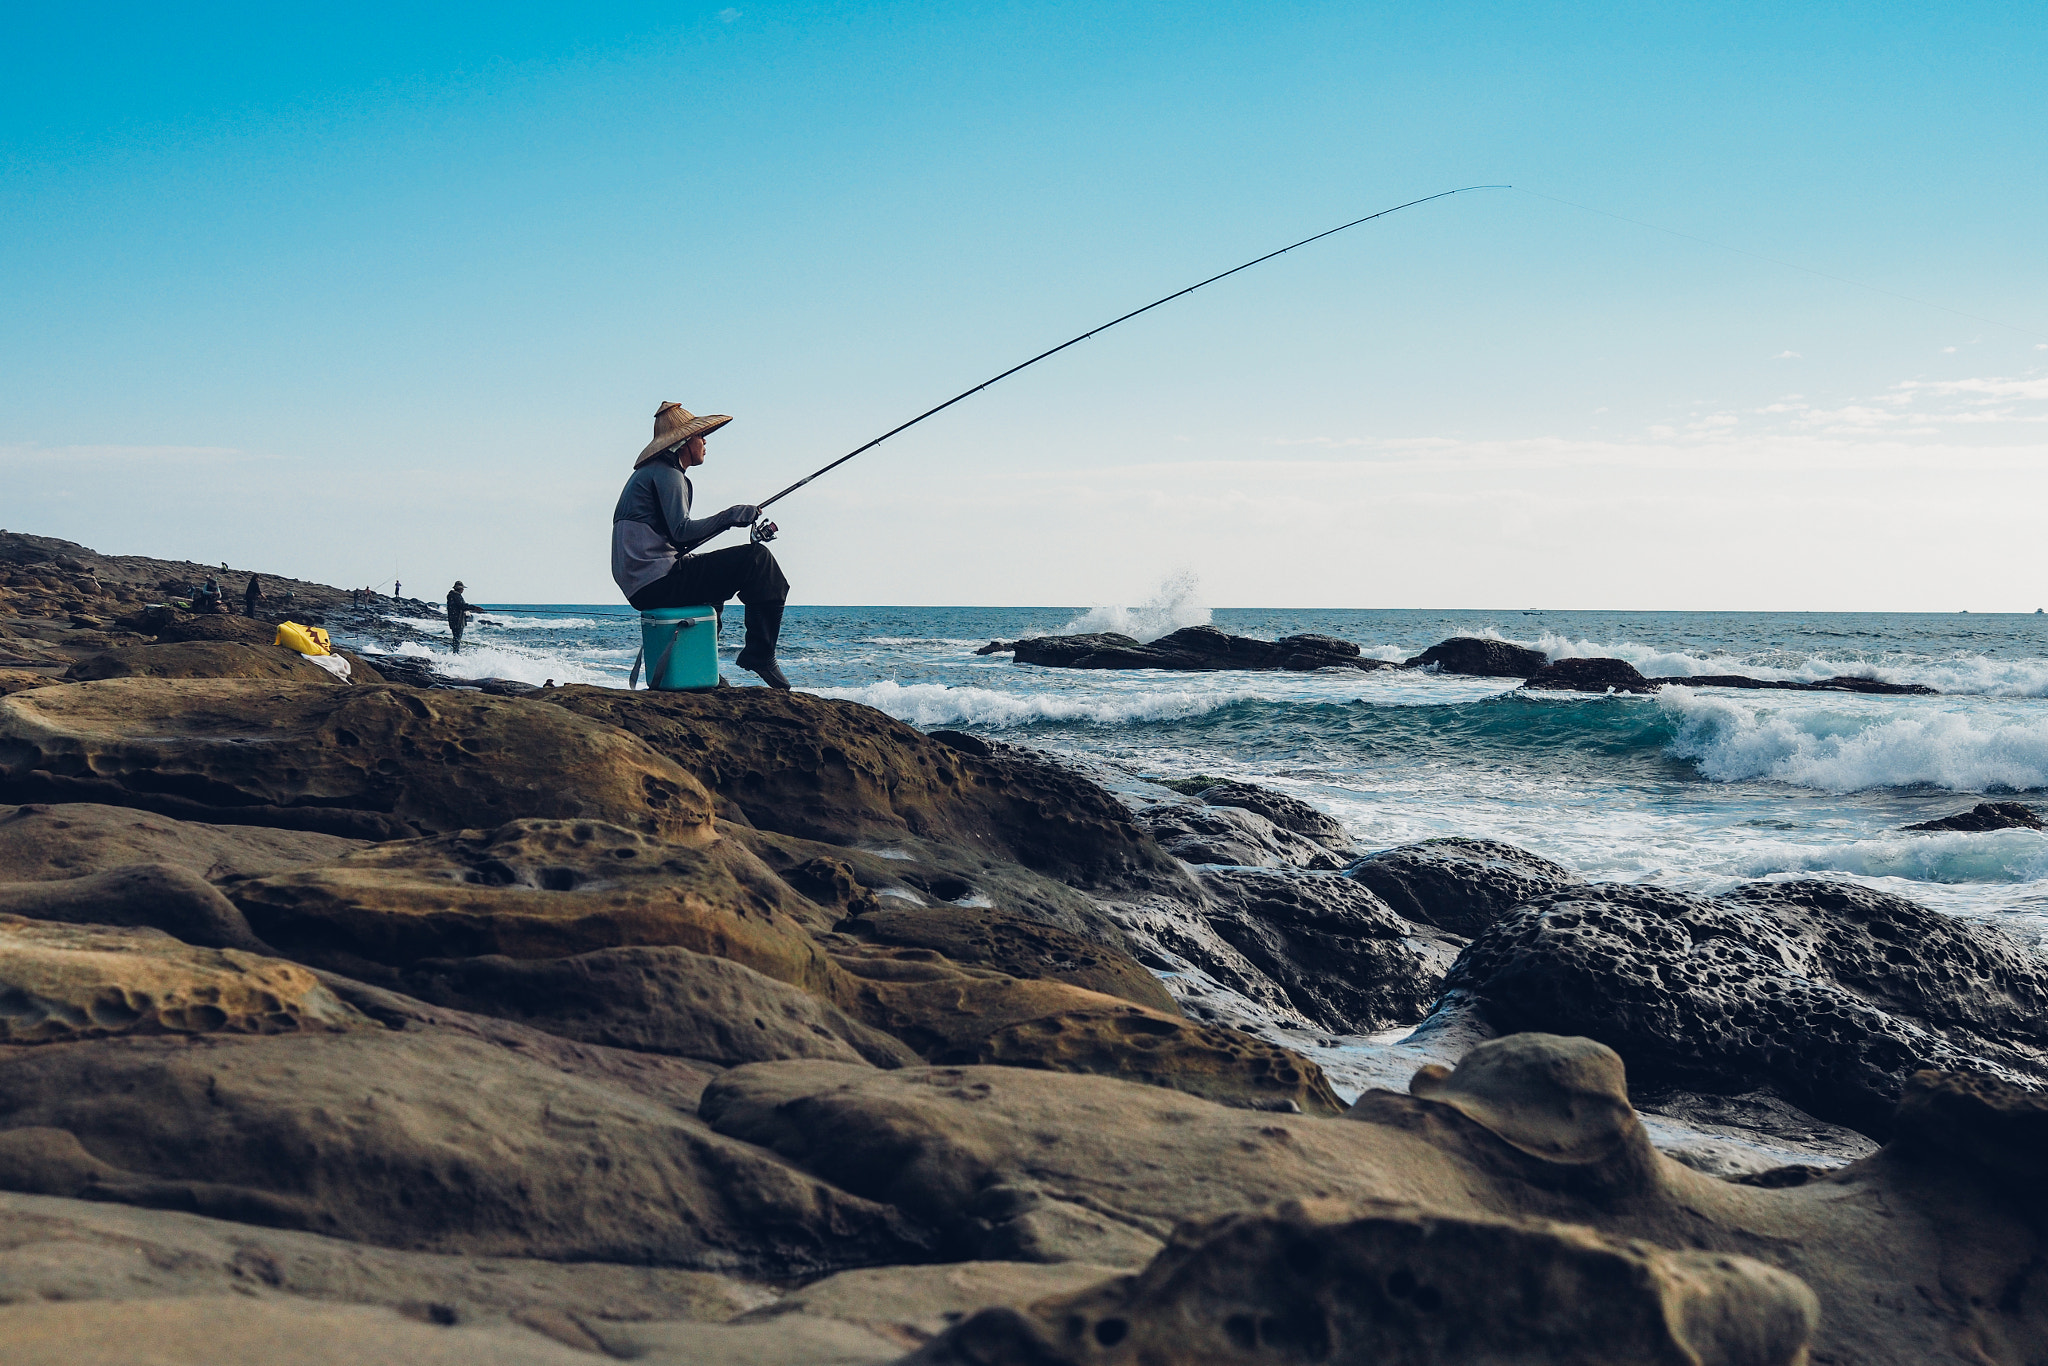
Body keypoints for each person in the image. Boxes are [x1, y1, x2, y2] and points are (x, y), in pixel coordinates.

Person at [611, 401, 789, 689]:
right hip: (657, 582)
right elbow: (681, 532)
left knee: (713, 586)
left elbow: (670, 539)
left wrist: (727, 521)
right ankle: (760, 655)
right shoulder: (667, 474)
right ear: (683, 442)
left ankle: (703, 670)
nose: (705, 442)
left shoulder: (649, 475)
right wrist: (730, 516)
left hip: (643, 584)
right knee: (758, 560)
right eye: (700, 436)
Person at [446, 580, 478, 653]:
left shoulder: (450, 595)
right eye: (462, 588)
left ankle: (455, 652)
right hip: (458, 620)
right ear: (459, 589)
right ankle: (455, 653)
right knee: (457, 638)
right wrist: (474, 607)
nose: (463, 590)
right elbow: (462, 606)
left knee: (455, 637)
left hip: (452, 619)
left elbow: (459, 606)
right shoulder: (456, 596)